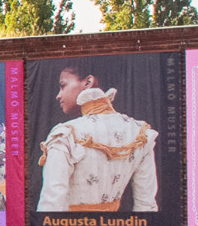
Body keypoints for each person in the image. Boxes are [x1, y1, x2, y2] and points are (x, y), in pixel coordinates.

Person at [38, 66, 158, 213]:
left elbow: (51, 205)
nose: (58, 95)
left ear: (88, 82)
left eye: (63, 86)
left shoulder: (65, 134)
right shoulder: (139, 132)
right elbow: (146, 206)